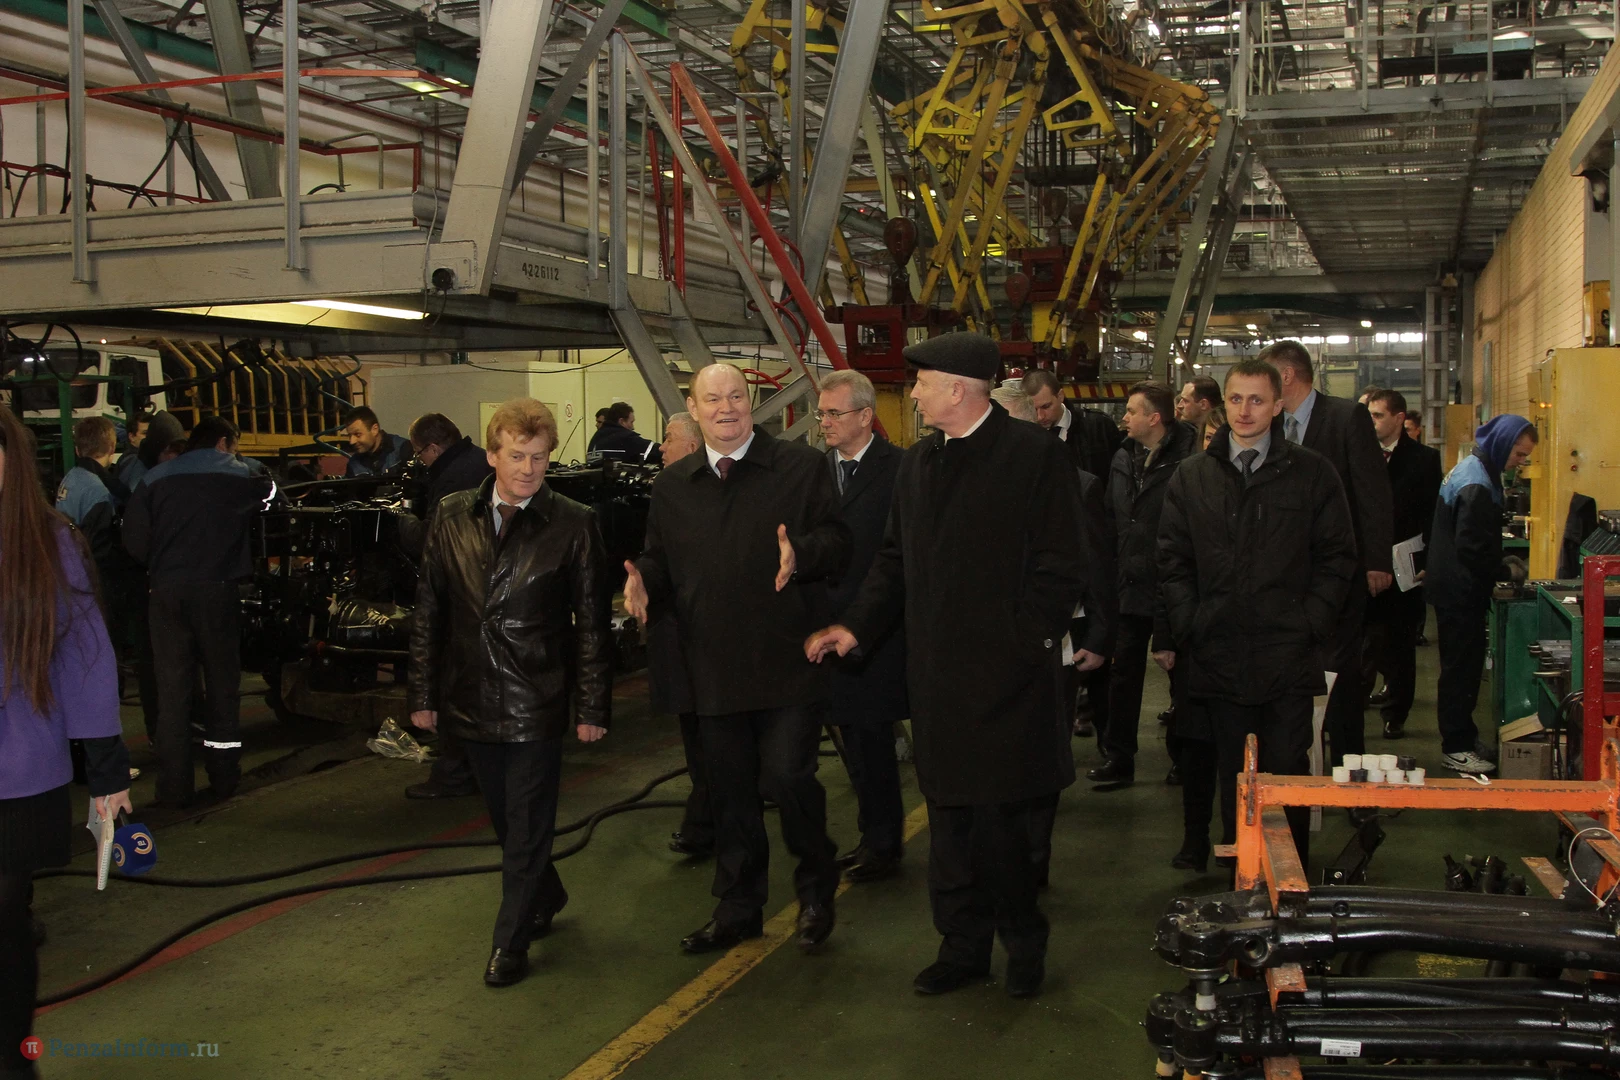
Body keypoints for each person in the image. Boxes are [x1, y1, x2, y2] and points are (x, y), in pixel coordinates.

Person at [808, 333, 1088, 999]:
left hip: (1006, 683)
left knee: (1000, 829)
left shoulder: (1032, 456)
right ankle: (961, 948)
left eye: (923, 383)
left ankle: (1023, 945)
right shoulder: (920, 464)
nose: (914, 396)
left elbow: (1062, 564)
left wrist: (1022, 643)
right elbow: (894, 561)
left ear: (958, 389)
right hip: (936, 681)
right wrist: (856, 626)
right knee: (949, 826)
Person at [623, 363, 850, 956]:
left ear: (751, 403)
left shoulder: (800, 467)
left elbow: (838, 542)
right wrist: (644, 580)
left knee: (787, 777)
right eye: (712, 399)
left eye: (735, 396)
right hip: (713, 666)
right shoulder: (673, 487)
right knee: (728, 793)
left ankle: (816, 886)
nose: (726, 408)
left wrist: (801, 554)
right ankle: (738, 907)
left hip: (789, 659)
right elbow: (660, 558)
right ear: (693, 410)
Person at [408, 398, 611, 987]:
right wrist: (422, 693)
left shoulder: (574, 523)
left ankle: (510, 941)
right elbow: (429, 611)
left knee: (524, 826)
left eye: (540, 458)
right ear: (492, 456)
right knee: (506, 820)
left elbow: (592, 624)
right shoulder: (451, 515)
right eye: (517, 456)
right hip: (468, 695)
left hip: (535, 698)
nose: (528, 469)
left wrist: (591, 706)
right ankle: (546, 893)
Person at [1158, 358, 1357, 869]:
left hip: (1287, 654)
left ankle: (1289, 884)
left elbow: (1337, 557)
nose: (1244, 410)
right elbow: (1173, 558)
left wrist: (1310, 622)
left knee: (1286, 773)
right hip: (1218, 652)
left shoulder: (1311, 473)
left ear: (1277, 406)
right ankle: (1243, 884)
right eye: (1235, 399)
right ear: (1223, 404)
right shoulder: (1192, 477)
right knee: (1235, 776)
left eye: (1257, 400)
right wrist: (1191, 622)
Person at [0, 408, 133, 1080]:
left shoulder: (48, 541)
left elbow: (84, 653)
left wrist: (107, 768)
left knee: (4, 916)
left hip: (16, 771)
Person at [122, 415, 272, 808]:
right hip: (216, 591)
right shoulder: (241, 473)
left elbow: (133, 538)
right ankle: (223, 778)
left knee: (172, 692)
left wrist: (162, 566)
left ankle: (174, 788)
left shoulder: (155, 478)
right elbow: (275, 505)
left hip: (165, 593)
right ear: (223, 442)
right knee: (222, 686)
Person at [1265, 341, 1393, 767]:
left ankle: (1348, 764)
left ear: (1286, 375)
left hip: (1339, 571)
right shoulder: (1271, 424)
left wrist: (1377, 560)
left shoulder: (1346, 416)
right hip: (1286, 575)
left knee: (1342, 672)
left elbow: (1373, 491)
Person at [817, 369, 908, 884]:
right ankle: (872, 836)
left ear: (866, 416)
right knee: (851, 738)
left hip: (879, 630)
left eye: (835, 413)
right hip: (828, 627)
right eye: (822, 414)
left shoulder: (901, 470)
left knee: (872, 739)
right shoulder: (815, 471)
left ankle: (883, 844)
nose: (825, 423)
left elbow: (900, 556)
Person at [1091, 381, 1198, 787]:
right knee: (1122, 677)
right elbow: (1110, 518)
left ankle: (1184, 757)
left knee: (1180, 676)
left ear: (1154, 418)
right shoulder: (1122, 457)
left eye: (1132, 411)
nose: (1124, 418)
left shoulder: (1189, 460)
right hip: (1129, 585)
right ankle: (1119, 758)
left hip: (1172, 585)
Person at [1427, 415, 1537, 774]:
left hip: (1458, 586)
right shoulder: (1475, 482)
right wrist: (1504, 570)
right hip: (1459, 591)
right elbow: (1471, 547)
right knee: (1460, 671)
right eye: (1519, 454)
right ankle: (1455, 747)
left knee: (1465, 669)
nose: (1520, 461)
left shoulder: (1477, 470)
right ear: (1503, 444)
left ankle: (1464, 736)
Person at [397, 413, 498, 802]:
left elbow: (432, 538)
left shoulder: (453, 479)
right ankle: (474, 765)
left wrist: (403, 522)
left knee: (455, 685)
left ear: (433, 448)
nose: (420, 460)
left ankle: (456, 773)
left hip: (464, 596)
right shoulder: (475, 460)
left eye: (419, 453)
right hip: (485, 591)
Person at [646, 413, 713, 858]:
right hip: (680, 636)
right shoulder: (667, 492)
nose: (661, 447)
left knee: (707, 736)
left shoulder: (699, 497)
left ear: (691, 447)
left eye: (668, 439)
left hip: (700, 639)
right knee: (697, 733)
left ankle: (705, 822)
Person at [1362, 390, 1442, 739]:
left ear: (1399, 418)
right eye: (1368, 415)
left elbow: (1432, 515)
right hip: (1364, 563)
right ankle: (1354, 702)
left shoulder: (1424, 460)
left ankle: (1396, 713)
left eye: (1378, 415)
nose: (1371, 422)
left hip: (1405, 565)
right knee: (1363, 642)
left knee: (1400, 643)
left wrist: (1430, 560)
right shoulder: (1359, 454)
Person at [55, 417, 132, 569]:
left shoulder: (70, 478)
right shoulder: (98, 491)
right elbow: (99, 553)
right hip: (86, 572)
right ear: (112, 448)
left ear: (77, 450)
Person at [1022, 368, 1123, 481]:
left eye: (1046, 406)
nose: (1040, 416)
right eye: (1033, 409)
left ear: (1060, 396)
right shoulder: (1024, 437)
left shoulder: (1099, 427)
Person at [410, 413, 495, 518]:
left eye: (418, 452)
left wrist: (404, 519)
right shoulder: (480, 455)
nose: (419, 458)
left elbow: (434, 527)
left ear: (433, 450)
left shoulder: (450, 479)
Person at [115, 409, 182, 490]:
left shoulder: (145, 458)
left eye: (153, 433)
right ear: (131, 436)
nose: (150, 437)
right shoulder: (133, 460)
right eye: (145, 433)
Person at [341, 406, 411, 477]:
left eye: (357, 434)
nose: (352, 441)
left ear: (375, 429)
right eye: (349, 436)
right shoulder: (353, 464)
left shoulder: (403, 449)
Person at [587, 402, 662, 464]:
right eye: (631, 422)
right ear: (621, 421)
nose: (633, 427)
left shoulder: (595, 439)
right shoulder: (625, 437)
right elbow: (659, 451)